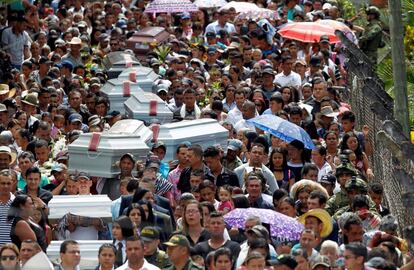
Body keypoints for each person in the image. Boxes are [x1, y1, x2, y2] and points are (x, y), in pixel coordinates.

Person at [0, 169, 15, 245]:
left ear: (12, 184)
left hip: (12, 248)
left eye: (8, 183)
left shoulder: (17, 203)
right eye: (3, 183)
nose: (6, 186)